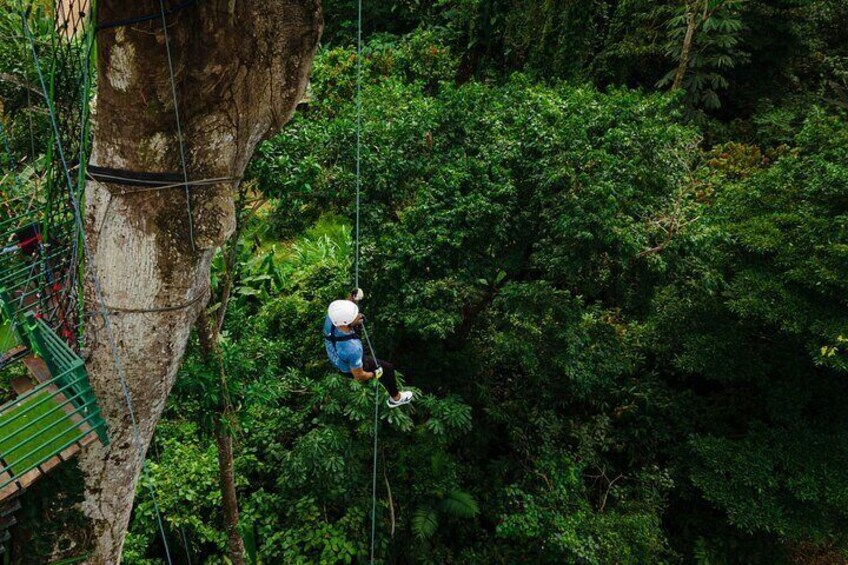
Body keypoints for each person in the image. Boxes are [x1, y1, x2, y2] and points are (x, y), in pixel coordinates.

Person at [324, 289, 413, 408]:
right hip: (347, 368)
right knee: (387, 369)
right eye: (355, 316)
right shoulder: (353, 349)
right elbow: (359, 376)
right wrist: (374, 374)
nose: (359, 315)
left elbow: (343, 309)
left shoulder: (332, 317)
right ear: (346, 323)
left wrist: (352, 296)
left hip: (336, 352)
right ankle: (396, 398)